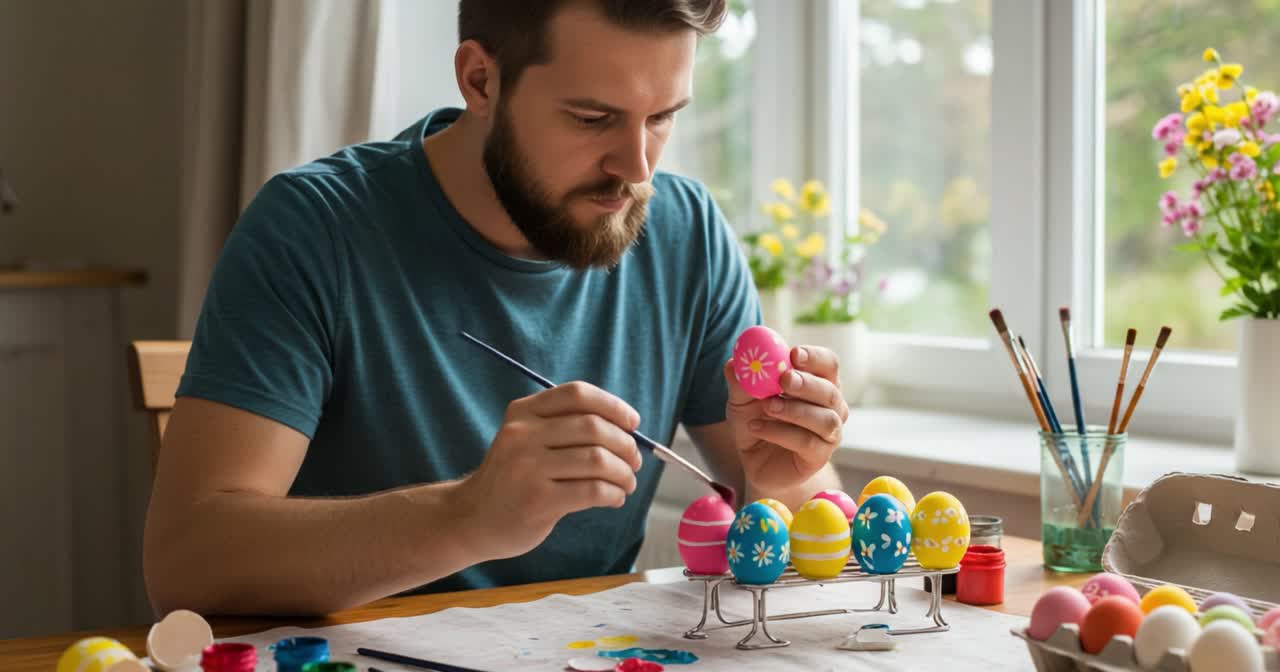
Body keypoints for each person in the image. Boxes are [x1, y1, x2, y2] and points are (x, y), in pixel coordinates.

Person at [143, 0, 848, 617]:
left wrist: (781, 480)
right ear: (480, 79)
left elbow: (794, 513)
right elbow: (186, 563)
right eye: (592, 117)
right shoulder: (316, 229)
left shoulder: (685, 232)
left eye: (662, 117)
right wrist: (467, 516)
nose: (637, 167)